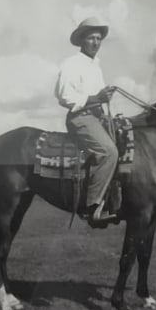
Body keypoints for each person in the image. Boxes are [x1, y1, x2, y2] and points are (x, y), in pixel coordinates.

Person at [55, 18, 120, 228]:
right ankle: (92, 208)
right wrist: (96, 98)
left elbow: (98, 96)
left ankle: (114, 201)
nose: (95, 42)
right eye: (91, 38)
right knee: (109, 152)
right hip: (80, 118)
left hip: (96, 116)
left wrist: (104, 98)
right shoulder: (71, 64)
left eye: (98, 38)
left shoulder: (96, 66)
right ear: (82, 40)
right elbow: (64, 96)